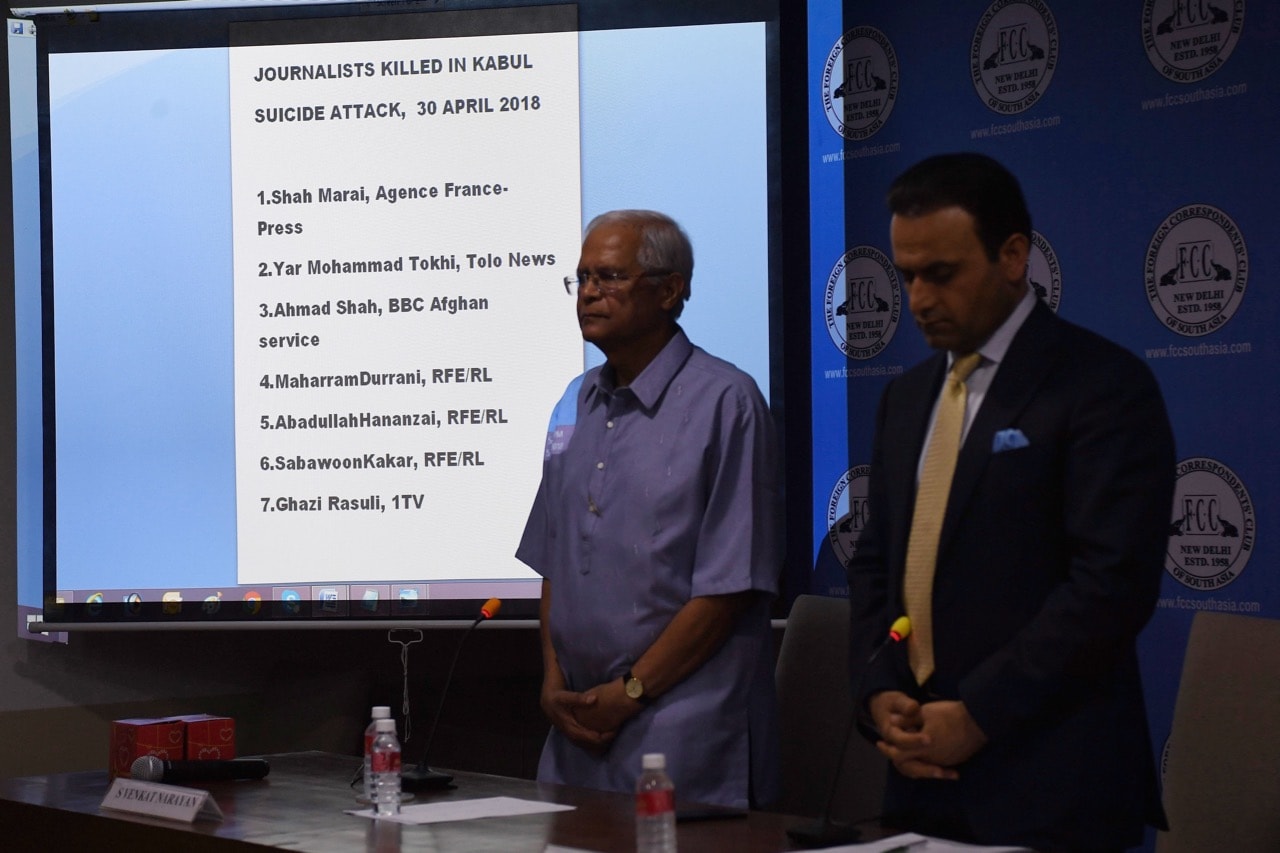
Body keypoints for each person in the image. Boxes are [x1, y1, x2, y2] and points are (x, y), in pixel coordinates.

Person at [847, 153, 1174, 851]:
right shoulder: (905, 400)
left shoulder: (1102, 385)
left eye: (942, 273)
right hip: (918, 781)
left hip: (1055, 783)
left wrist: (980, 712)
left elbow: (1108, 586)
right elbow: (878, 562)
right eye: (907, 276)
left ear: (1013, 255)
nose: (920, 299)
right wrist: (880, 687)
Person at [517, 209, 782, 809]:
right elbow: (557, 561)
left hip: (682, 735)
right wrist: (554, 683)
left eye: (608, 277)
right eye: (581, 278)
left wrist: (630, 692)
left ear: (670, 290)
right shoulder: (573, 403)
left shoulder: (727, 403)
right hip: (577, 730)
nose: (588, 293)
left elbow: (726, 590)